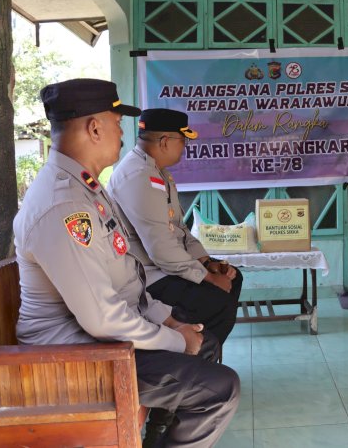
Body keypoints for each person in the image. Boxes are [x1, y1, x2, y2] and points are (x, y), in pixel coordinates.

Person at [14, 78, 239, 448]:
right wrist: (174, 339)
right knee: (220, 389)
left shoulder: (87, 188)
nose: (123, 132)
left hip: (100, 343)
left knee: (206, 343)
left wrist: (168, 319)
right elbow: (102, 316)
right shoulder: (64, 205)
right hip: (74, 357)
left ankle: (157, 435)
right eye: (117, 122)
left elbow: (125, 278)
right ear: (94, 127)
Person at [108, 108, 243, 351]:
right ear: (164, 141)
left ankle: (206, 351)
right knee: (219, 301)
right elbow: (162, 249)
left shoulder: (159, 174)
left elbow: (179, 229)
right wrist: (208, 277)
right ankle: (196, 356)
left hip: (165, 266)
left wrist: (205, 261)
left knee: (233, 278)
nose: (185, 148)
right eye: (183, 141)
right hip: (147, 276)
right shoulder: (139, 176)